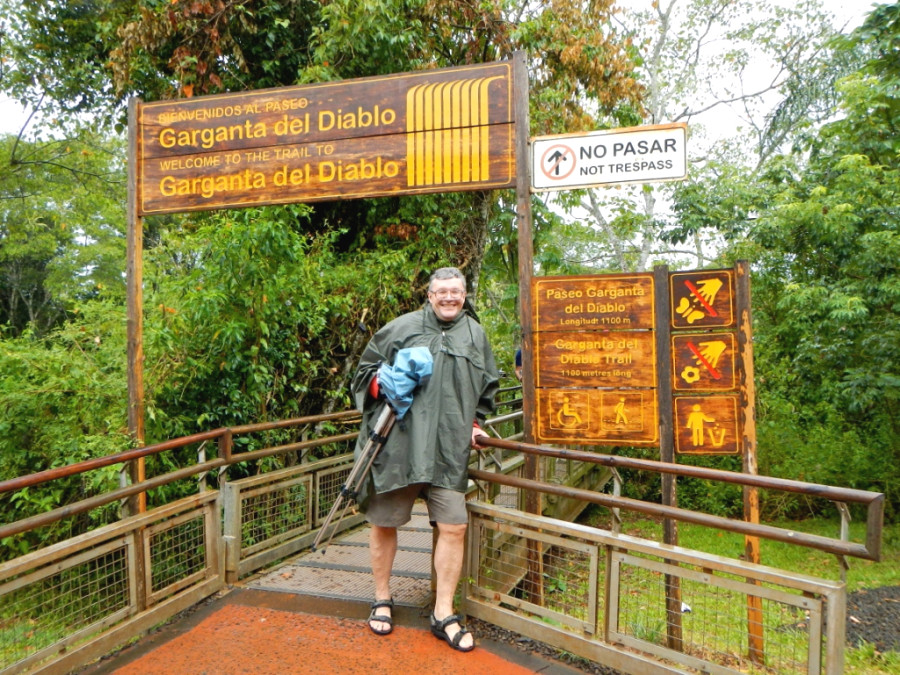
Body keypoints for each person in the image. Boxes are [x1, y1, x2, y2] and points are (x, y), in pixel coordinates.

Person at [350, 267, 499, 652]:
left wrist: (476, 423)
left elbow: (488, 387)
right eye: (442, 291)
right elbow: (362, 373)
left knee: (454, 526)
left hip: (449, 449)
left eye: (457, 291)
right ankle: (382, 598)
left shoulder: (475, 335)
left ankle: (443, 612)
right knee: (384, 522)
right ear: (429, 294)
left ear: (465, 295)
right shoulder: (401, 328)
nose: (450, 297)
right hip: (398, 445)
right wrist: (383, 382)